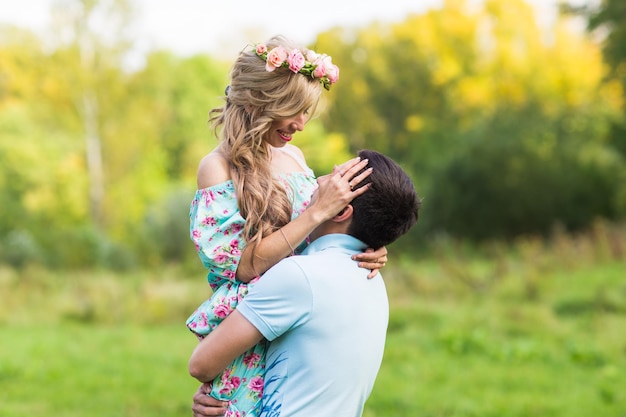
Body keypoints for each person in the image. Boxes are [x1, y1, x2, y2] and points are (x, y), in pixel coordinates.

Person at [185, 35, 389, 416]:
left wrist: (365, 246)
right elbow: (244, 267)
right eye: (292, 110)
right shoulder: (217, 168)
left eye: (306, 112)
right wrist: (316, 212)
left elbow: (316, 239)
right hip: (250, 332)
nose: (300, 124)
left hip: (301, 317)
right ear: (259, 102)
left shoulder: (293, 156)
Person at [189, 149, 421, 416]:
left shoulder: (299, 276)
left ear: (341, 211)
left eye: (333, 180)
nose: (318, 181)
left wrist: (219, 396)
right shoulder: (374, 282)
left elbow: (201, 365)